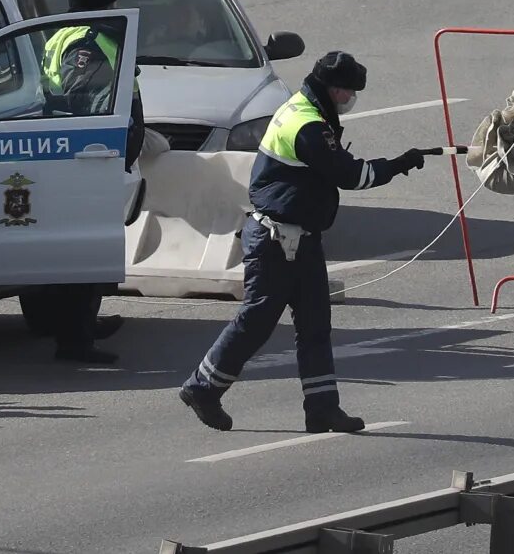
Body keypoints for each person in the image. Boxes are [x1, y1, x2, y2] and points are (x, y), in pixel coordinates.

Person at [178, 50, 428, 435]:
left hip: (301, 239)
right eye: (347, 93)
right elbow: (350, 174)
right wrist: (395, 165)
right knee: (256, 322)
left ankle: (323, 408)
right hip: (275, 241)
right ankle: (203, 387)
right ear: (332, 89)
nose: (349, 101)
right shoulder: (307, 125)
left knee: (315, 324)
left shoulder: (305, 107)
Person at [32, 0, 145, 363]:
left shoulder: (66, 31)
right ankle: (75, 340)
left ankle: (80, 324)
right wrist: (110, 149)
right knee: (88, 252)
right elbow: (84, 100)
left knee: (88, 250)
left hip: (88, 159)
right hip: (90, 160)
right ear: (107, 5)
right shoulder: (88, 42)